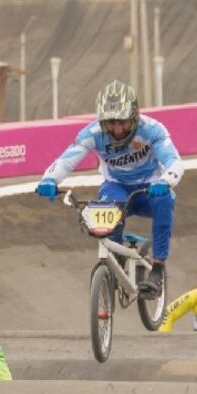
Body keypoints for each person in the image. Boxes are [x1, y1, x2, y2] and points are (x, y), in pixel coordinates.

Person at [35, 80, 184, 296]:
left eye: (122, 122)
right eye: (110, 123)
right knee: (109, 210)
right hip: (116, 186)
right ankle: (115, 260)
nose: (117, 129)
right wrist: (49, 180)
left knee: (165, 200)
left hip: (151, 188)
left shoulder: (152, 130)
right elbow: (68, 159)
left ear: (133, 117)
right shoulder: (93, 133)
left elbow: (174, 161)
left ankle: (158, 270)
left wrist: (166, 181)